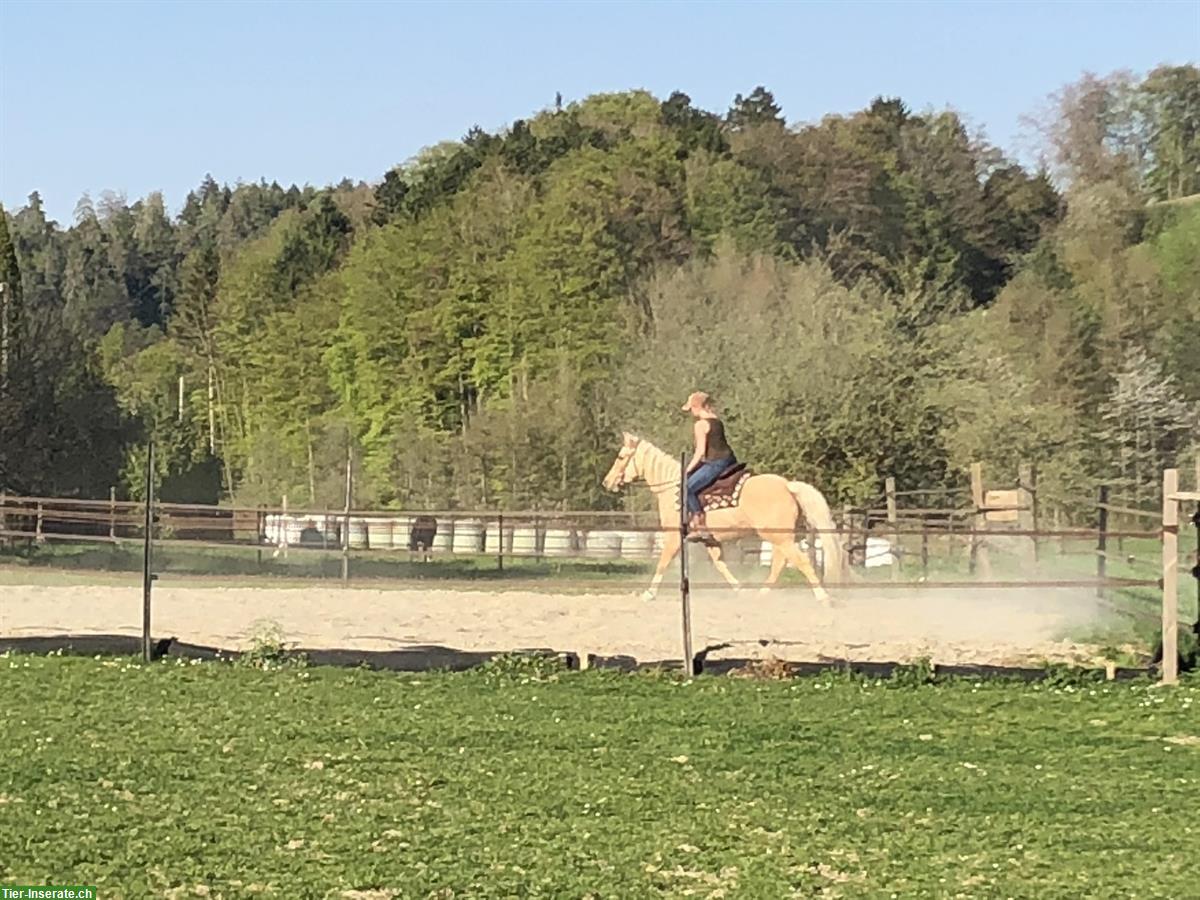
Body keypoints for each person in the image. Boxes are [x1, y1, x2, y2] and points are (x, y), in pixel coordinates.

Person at [681, 391, 737, 539]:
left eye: (691, 408)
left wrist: (687, 470)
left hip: (715, 463)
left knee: (687, 487)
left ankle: (700, 524)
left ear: (696, 407)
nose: (691, 412)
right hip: (730, 460)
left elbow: (700, 452)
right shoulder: (717, 421)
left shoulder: (700, 425)